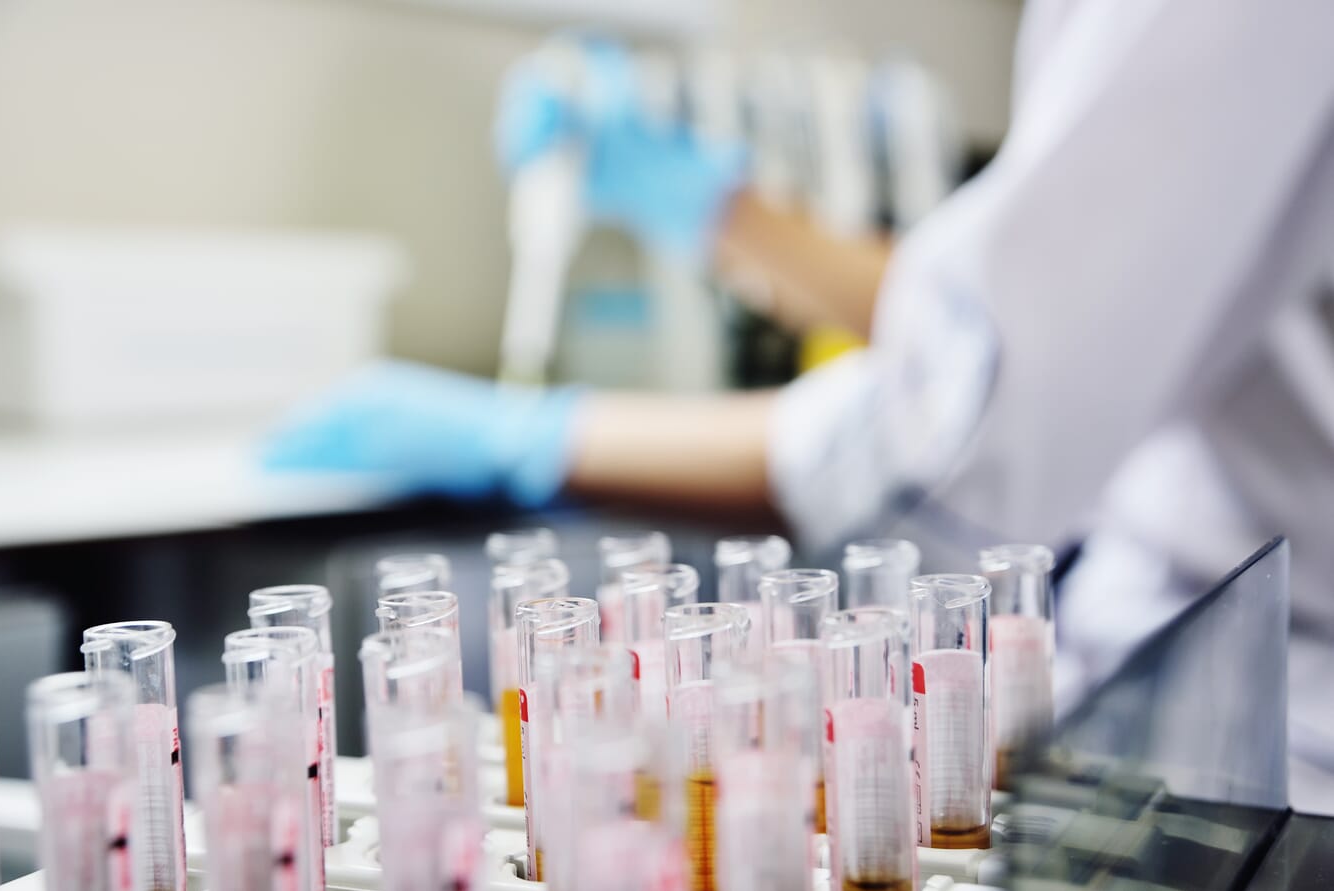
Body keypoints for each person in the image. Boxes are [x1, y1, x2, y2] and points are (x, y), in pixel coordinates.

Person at [265, 3, 1334, 802]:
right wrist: (714, 212)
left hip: (1270, 717)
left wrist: (536, 437)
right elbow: (1006, 313)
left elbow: (966, 410)